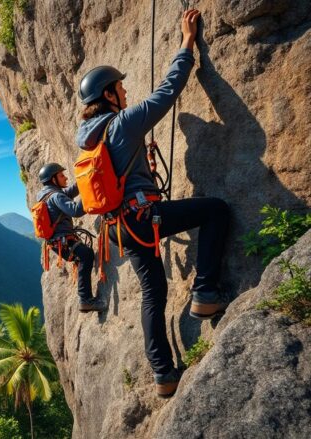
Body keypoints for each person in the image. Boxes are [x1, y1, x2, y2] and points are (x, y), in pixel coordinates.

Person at [75, 9, 229, 397]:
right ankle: (206, 293)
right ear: (108, 95)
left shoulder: (90, 138)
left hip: (118, 230)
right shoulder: (122, 123)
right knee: (215, 211)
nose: (125, 92)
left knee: (153, 292)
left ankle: (163, 374)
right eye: (120, 88)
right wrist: (186, 43)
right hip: (143, 217)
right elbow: (167, 92)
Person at [36, 163, 106, 313]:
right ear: (53, 179)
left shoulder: (45, 194)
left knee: (84, 256)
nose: (65, 177)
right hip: (63, 241)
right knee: (86, 255)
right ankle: (85, 299)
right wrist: (89, 189)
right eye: (61, 175)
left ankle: (85, 298)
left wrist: (86, 177)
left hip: (57, 242)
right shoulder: (56, 196)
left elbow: (70, 191)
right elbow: (75, 210)